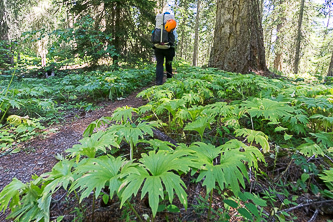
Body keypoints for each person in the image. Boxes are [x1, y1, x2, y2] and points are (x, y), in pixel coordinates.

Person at [154, 12, 177, 85]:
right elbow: (175, 38)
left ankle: (158, 82)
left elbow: (153, 35)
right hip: (169, 48)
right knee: (168, 64)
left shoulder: (158, 27)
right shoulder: (172, 28)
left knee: (159, 64)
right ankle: (169, 81)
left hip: (158, 47)